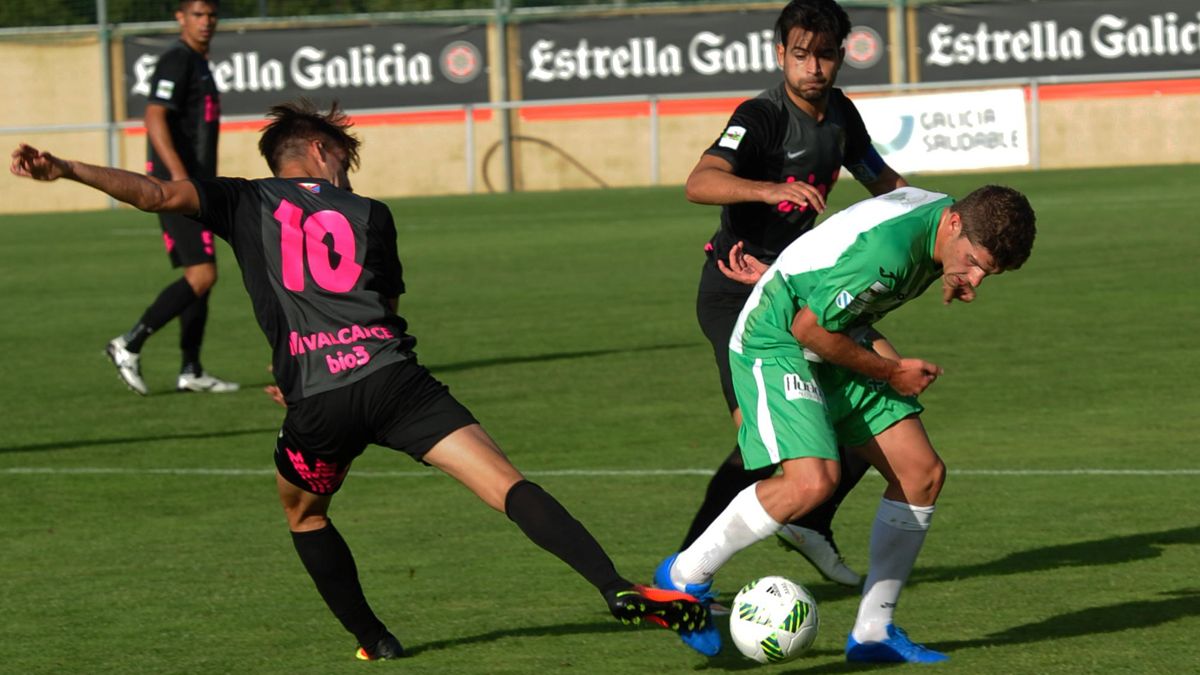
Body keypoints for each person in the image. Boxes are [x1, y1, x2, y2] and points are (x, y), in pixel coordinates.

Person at [10, 101, 706, 660]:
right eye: (344, 154)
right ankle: (615, 586)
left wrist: (65, 167)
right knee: (506, 484)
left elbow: (154, 191)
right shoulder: (373, 214)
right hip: (397, 382)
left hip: (320, 401)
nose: (349, 168)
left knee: (304, 511)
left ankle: (375, 638)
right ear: (317, 150)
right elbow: (385, 308)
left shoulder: (242, 200)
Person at [655, 185, 1037, 661]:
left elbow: (844, 242)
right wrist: (893, 372)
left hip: (839, 334)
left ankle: (874, 632)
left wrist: (951, 268)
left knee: (921, 475)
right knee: (812, 482)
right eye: (974, 262)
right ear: (955, 224)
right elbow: (808, 329)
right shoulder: (890, 253)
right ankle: (684, 577)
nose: (975, 280)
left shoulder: (943, 219)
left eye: (988, 273)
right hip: (779, 339)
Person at [679, 0, 908, 588]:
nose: (813, 67)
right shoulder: (760, 116)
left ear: (840, 57)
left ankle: (812, 522)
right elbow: (699, 183)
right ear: (780, 53)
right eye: (800, 54)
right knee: (760, 451)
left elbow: (886, 184)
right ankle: (681, 580)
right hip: (737, 296)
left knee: (884, 384)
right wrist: (767, 188)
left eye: (825, 55)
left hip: (803, 293)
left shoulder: (841, 115)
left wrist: (939, 224)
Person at [106, 0, 238, 395]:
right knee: (203, 274)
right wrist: (180, 178)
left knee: (201, 276)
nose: (206, 22)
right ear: (180, 17)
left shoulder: (199, 62)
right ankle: (128, 343)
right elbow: (154, 116)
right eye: (198, 14)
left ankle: (191, 369)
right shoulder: (176, 60)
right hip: (176, 186)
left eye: (211, 15)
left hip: (195, 185)